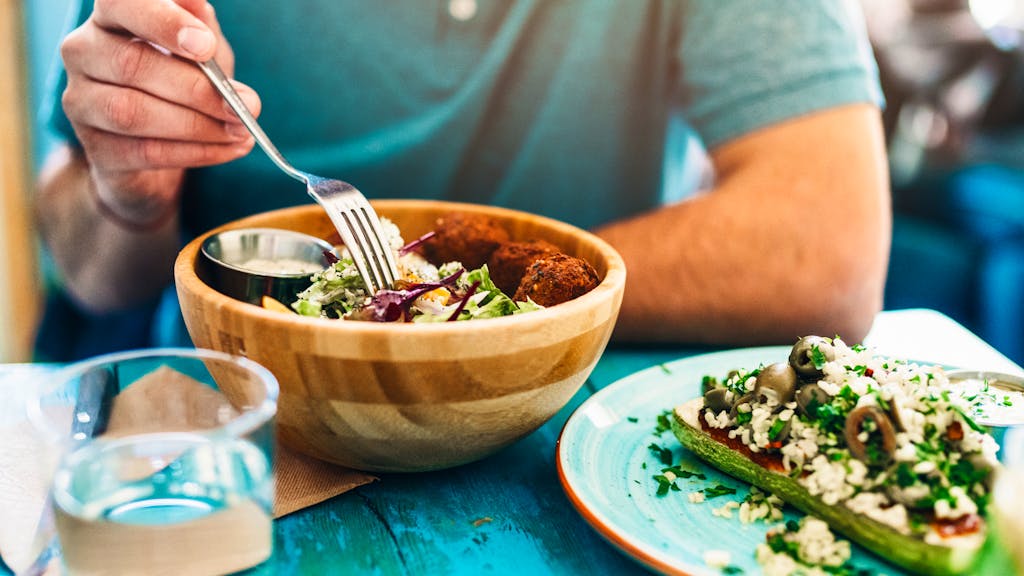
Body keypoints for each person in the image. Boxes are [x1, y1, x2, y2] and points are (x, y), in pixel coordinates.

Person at [34, 0, 891, 359]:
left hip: (572, 423)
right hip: (239, 425)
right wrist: (128, 191)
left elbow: (827, 249)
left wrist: (465, 301)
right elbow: (89, 269)